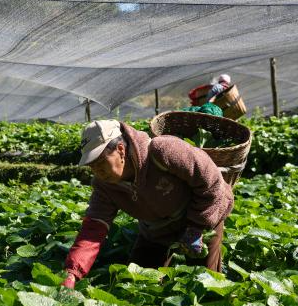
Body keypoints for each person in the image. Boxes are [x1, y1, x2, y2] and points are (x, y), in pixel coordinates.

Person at [61, 120, 233, 288]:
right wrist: (72, 272)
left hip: (203, 217)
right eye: (92, 166)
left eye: (101, 162)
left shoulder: (163, 151)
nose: (98, 171)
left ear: (120, 149)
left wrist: (196, 226)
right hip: (157, 230)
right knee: (136, 284)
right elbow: (93, 229)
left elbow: (212, 184)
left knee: (206, 283)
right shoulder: (104, 186)